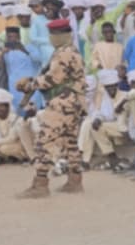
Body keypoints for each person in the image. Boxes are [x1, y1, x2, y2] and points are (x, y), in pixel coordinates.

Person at [16, 18, 87, 198]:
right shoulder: (73, 51)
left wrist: (29, 85)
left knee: (44, 141)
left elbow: (52, 79)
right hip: (74, 101)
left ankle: (40, 184)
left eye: (52, 35)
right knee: (70, 141)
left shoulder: (63, 53)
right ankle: (74, 180)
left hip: (62, 101)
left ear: (58, 35)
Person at [80, 69, 129, 172]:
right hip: (113, 125)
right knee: (94, 126)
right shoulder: (105, 97)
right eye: (108, 87)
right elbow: (102, 113)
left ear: (117, 86)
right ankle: (111, 156)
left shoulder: (125, 95)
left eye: (113, 86)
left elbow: (117, 114)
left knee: (89, 124)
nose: (111, 89)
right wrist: (98, 119)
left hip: (126, 127)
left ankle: (84, 158)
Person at [3, 27, 43, 112]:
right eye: (10, 37)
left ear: (19, 37)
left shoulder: (30, 47)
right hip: (14, 87)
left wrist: (24, 50)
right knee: (18, 111)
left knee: (33, 110)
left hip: (30, 85)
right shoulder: (5, 52)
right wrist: (1, 54)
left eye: (15, 37)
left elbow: (39, 59)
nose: (13, 39)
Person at [29, 0, 64, 68]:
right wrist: (50, 40)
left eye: (52, 8)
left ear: (57, 9)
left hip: (61, 56)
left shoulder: (62, 21)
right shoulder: (37, 19)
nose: (49, 10)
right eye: (47, 8)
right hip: (45, 57)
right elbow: (33, 38)